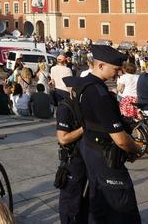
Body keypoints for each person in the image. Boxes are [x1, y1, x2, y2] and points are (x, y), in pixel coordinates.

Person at [77, 44, 143, 223]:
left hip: (90, 147)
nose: (118, 73)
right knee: (121, 208)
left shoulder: (82, 84)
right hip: (105, 154)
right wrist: (136, 149)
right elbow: (120, 139)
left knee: (98, 203)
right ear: (100, 66)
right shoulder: (100, 94)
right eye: (115, 69)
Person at [55, 76, 87, 224]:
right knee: (71, 200)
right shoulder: (65, 107)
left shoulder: (83, 105)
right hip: (72, 160)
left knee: (83, 198)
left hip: (86, 157)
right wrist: (83, 129)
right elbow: (63, 138)